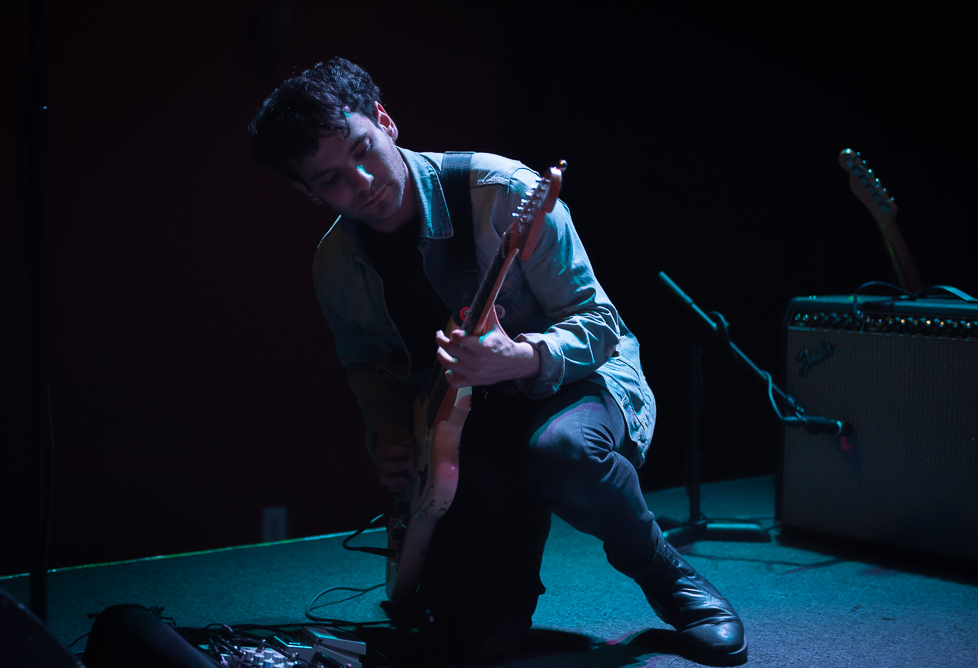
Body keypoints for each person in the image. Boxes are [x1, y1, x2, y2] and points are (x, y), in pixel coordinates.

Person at [249, 57, 747, 665]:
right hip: (466, 423)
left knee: (562, 451)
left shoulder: (503, 193)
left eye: (363, 149)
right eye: (330, 179)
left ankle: (668, 577)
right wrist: (385, 429)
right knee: (480, 641)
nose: (361, 182)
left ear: (386, 120)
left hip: (575, 383)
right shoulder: (335, 265)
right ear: (307, 192)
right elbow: (365, 366)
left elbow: (599, 324)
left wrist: (520, 358)